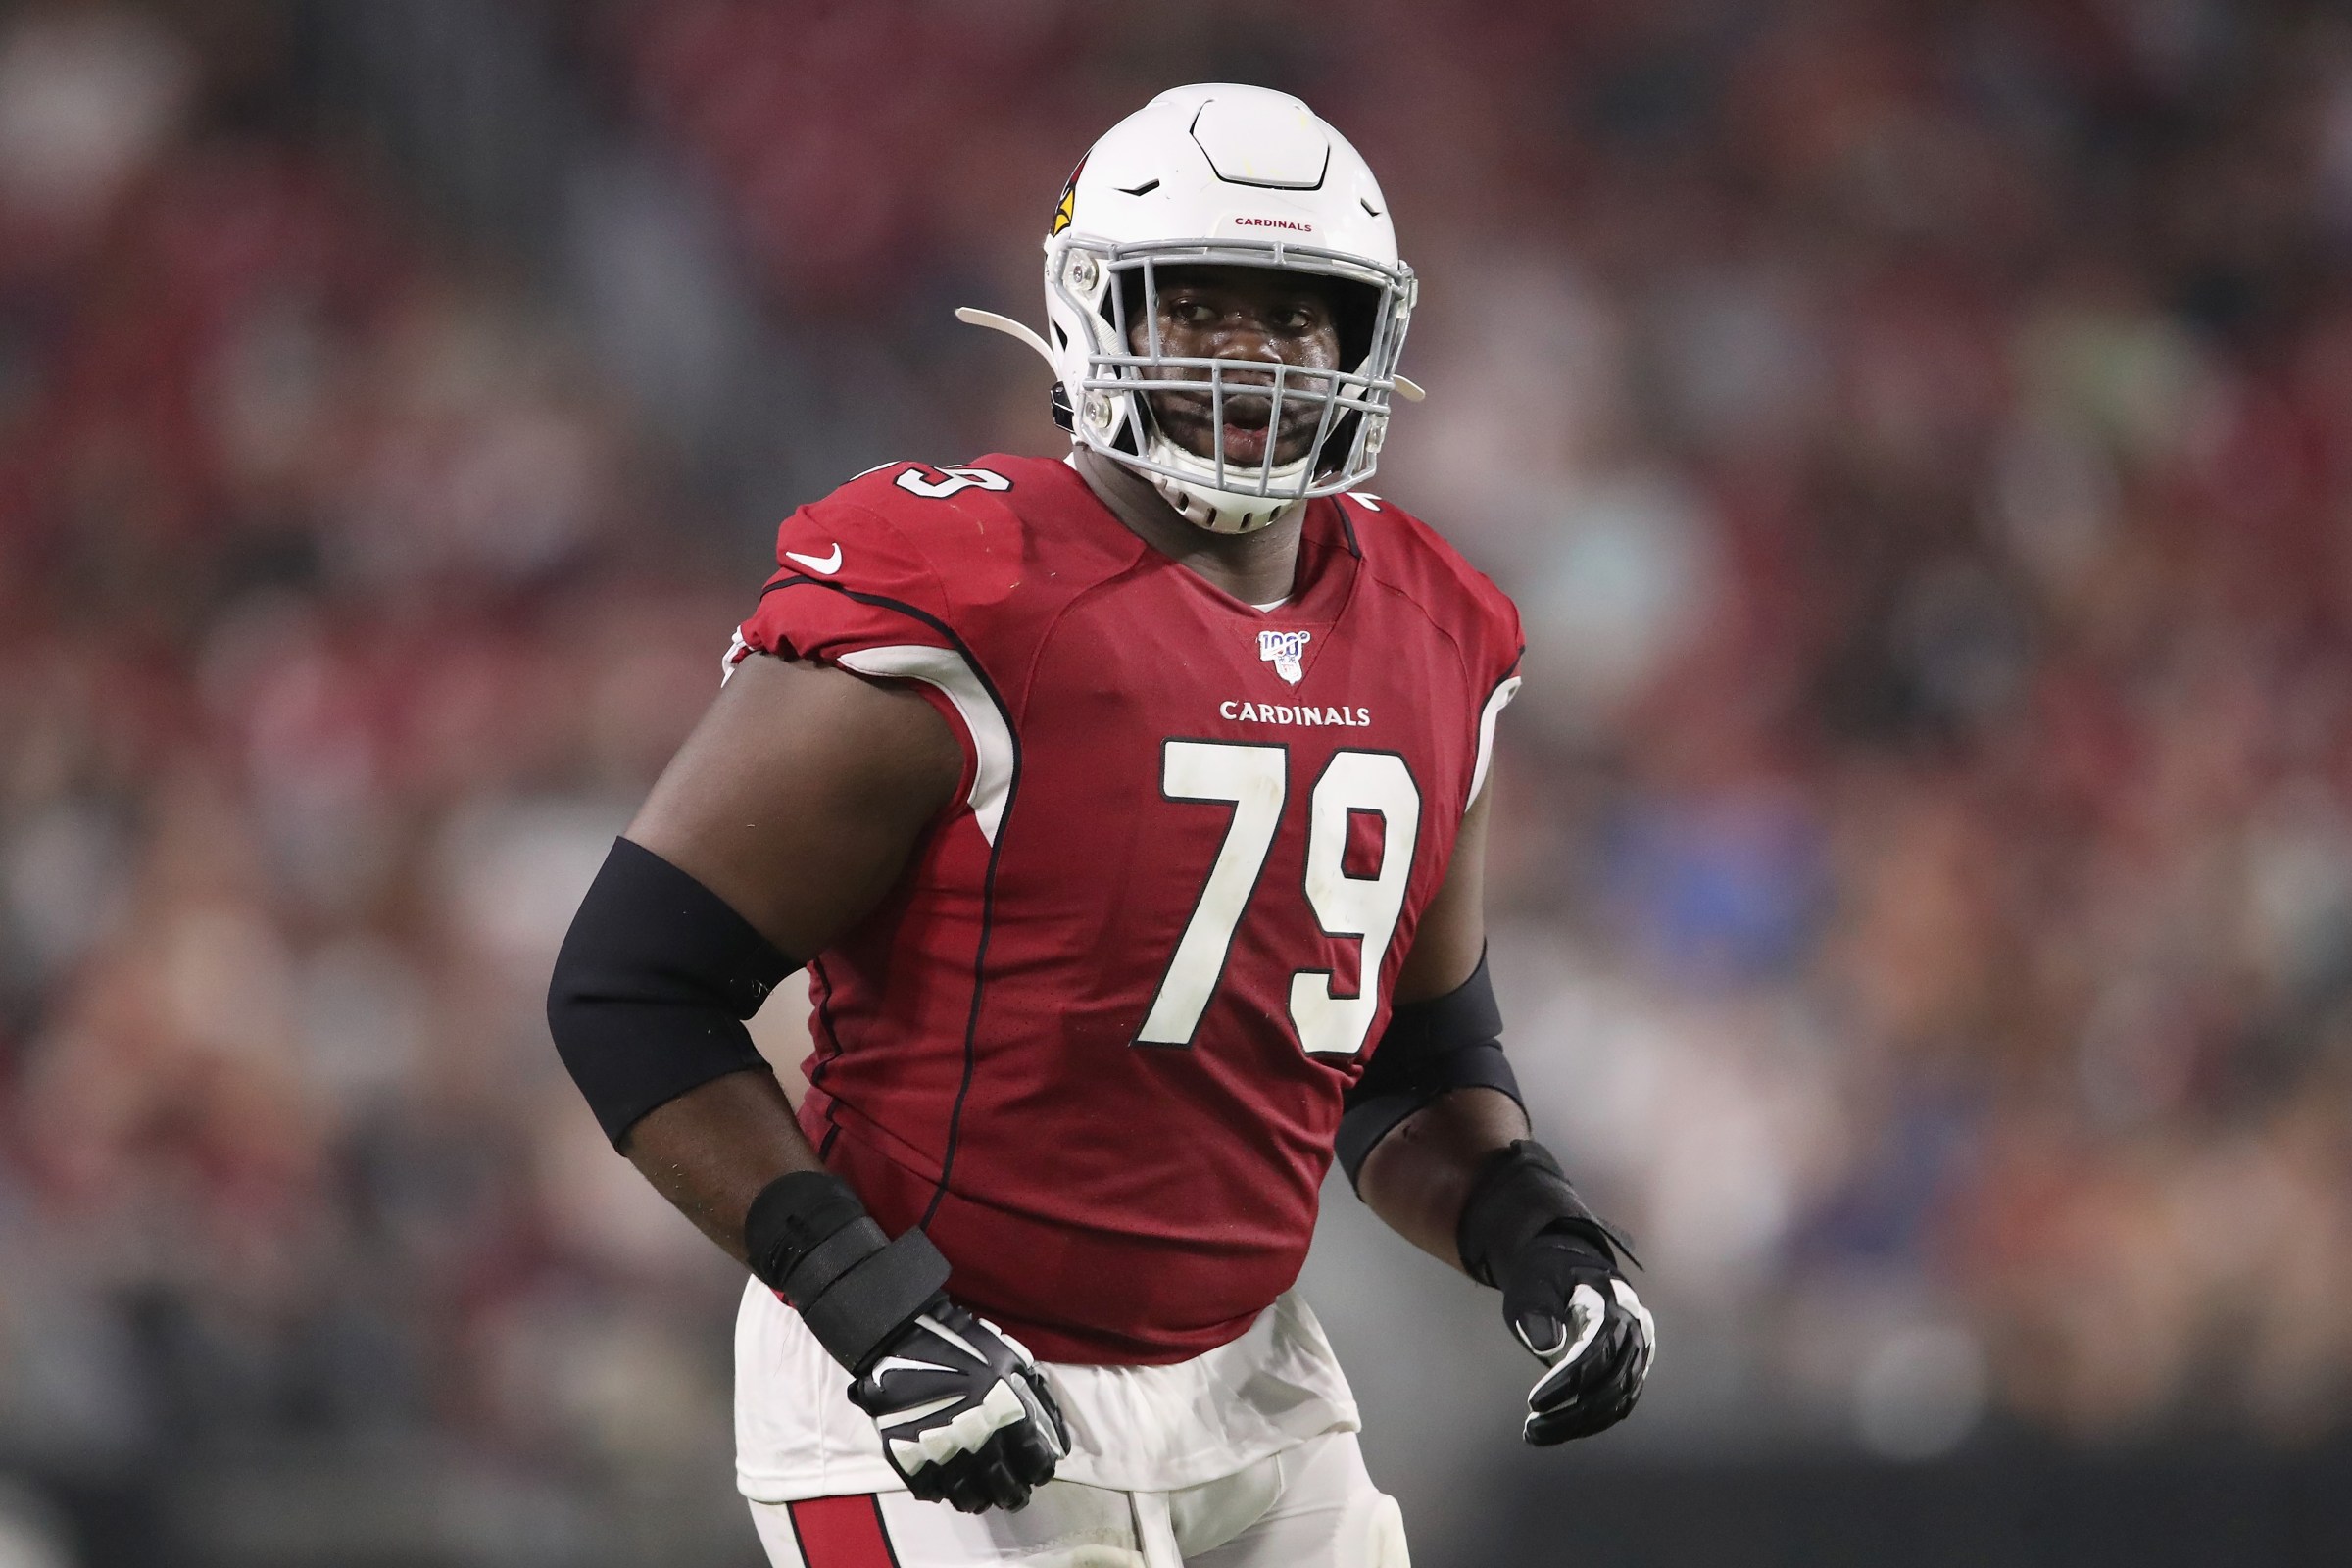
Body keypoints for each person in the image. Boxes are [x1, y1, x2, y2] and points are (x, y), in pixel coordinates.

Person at [547, 83, 1652, 1568]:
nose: (1252, 354)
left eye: (1295, 313)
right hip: (933, 1384)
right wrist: (867, 1303)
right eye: (1195, 307)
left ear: (1367, 341)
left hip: (1255, 1390)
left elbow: (1411, 1060)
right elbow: (632, 989)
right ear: (1091, 314)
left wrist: (1538, 1236)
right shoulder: (970, 588)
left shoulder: (1436, 626)